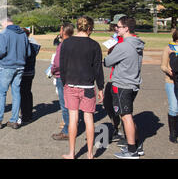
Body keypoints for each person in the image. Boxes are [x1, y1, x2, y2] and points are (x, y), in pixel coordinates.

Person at [60, 16, 104, 159]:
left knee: (73, 118)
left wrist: (64, 81)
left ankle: (72, 152)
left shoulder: (66, 43)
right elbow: (98, 69)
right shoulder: (94, 45)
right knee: (89, 119)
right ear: (90, 28)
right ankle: (90, 154)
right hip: (88, 87)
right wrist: (101, 87)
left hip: (71, 84)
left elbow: (62, 65)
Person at [104, 16, 145, 159]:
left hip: (122, 84)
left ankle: (132, 150)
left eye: (119, 27)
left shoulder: (123, 45)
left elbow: (108, 62)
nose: (116, 29)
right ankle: (137, 145)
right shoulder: (137, 43)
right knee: (129, 115)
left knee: (125, 117)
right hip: (133, 83)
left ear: (126, 28)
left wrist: (112, 49)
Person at [0, 17, 31, 130]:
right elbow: (28, 52)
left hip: (7, 66)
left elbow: (2, 50)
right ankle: (14, 120)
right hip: (20, 66)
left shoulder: (4, 33)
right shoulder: (23, 33)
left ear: (5, 23)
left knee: (1, 93)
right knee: (16, 93)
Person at [104, 14, 127, 143]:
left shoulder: (128, 40)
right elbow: (110, 56)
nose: (114, 28)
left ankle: (127, 135)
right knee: (109, 103)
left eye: (116, 26)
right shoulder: (116, 38)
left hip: (123, 79)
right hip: (114, 76)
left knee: (124, 109)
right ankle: (116, 127)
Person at [51, 23, 74, 140]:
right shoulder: (74, 43)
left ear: (63, 31)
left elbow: (57, 63)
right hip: (73, 76)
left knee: (64, 104)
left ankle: (67, 130)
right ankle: (71, 126)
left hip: (62, 76)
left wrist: (52, 70)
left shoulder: (63, 44)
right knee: (71, 104)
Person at [19, 27, 41, 126]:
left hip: (24, 72)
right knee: (28, 93)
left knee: (22, 94)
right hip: (31, 71)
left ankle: (25, 115)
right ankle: (29, 113)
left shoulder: (25, 45)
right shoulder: (34, 45)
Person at [161, 29, 178, 143]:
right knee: (174, 108)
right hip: (171, 82)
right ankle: (173, 133)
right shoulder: (169, 48)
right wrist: (168, 70)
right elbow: (162, 66)